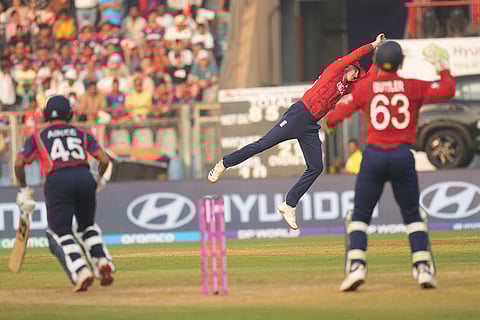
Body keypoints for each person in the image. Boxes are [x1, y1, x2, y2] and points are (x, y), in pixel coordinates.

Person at [207, 33, 387, 230]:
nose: (356, 74)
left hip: (311, 125)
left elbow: (369, 81)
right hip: (299, 115)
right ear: (349, 66)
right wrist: (374, 44)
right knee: (263, 144)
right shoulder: (336, 69)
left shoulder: (348, 87)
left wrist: (379, 57)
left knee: (316, 166)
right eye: (356, 71)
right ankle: (224, 163)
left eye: (358, 73)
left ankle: (289, 204)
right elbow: (354, 55)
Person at [325, 41, 456, 291]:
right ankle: (423, 268)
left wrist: (331, 123)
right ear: (401, 63)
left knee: (360, 215)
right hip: (402, 156)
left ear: (376, 64)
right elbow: (448, 89)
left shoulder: (365, 88)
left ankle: (356, 266)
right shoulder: (412, 86)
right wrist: (443, 67)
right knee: (412, 215)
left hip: (374, 156)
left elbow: (338, 113)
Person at [14, 95, 115, 292]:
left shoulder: (38, 135)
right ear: (70, 114)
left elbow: (19, 163)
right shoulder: (81, 132)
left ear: (46, 115)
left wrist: (25, 189)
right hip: (85, 176)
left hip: (58, 179)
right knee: (87, 226)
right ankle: (102, 260)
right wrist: (98, 179)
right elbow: (104, 160)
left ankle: (81, 271)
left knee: (60, 231)